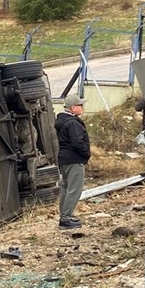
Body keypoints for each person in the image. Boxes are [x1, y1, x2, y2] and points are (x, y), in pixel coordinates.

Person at [54, 95, 90, 230]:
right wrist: (86, 153)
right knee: (74, 189)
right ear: (73, 108)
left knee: (66, 188)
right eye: (80, 105)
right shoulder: (73, 123)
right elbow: (77, 142)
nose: (82, 108)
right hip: (74, 159)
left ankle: (65, 215)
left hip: (64, 158)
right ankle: (66, 219)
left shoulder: (62, 121)